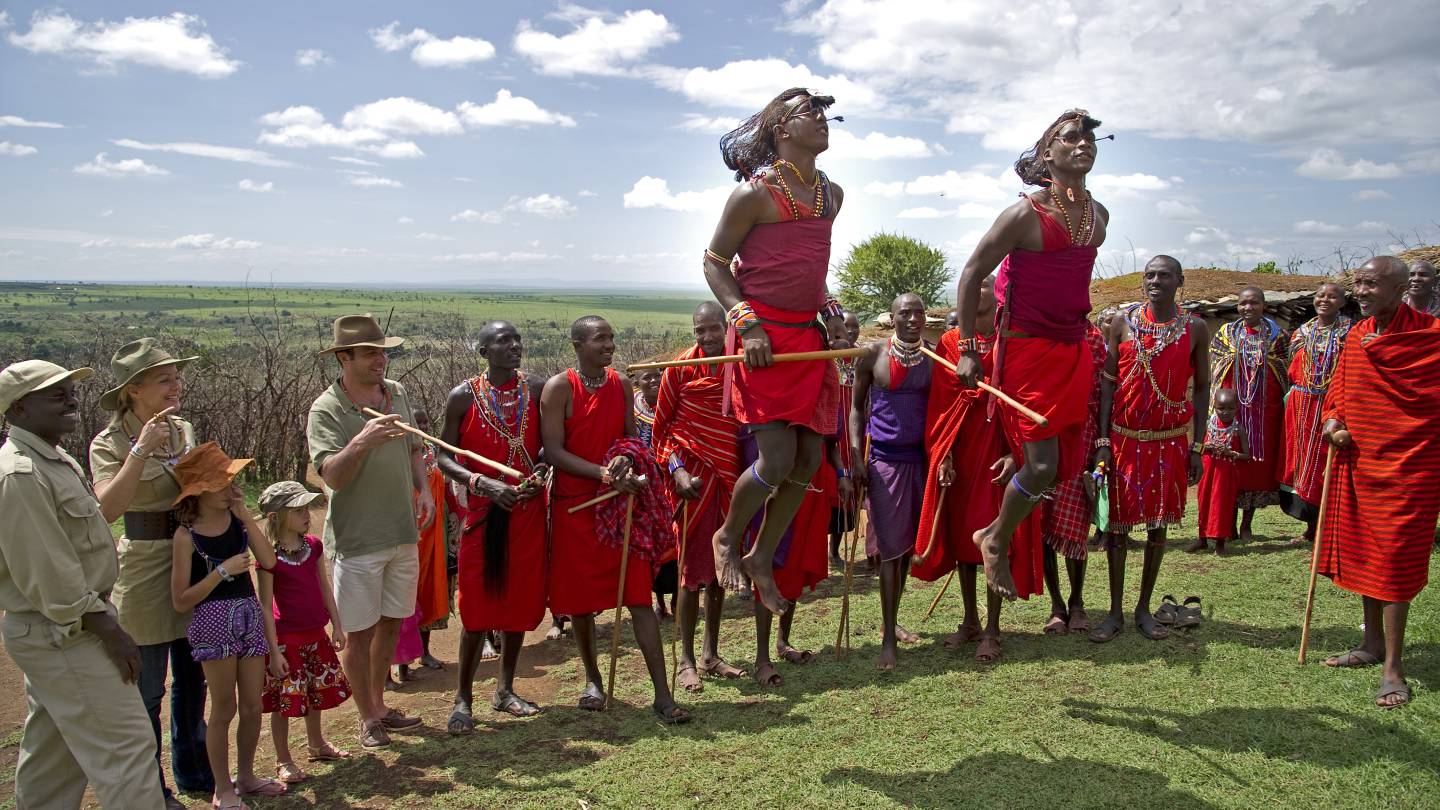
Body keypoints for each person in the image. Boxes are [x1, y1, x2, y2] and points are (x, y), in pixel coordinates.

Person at [703, 88, 850, 617]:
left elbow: (810, 269)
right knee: (779, 457)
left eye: (824, 113)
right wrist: (746, 322)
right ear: (783, 129)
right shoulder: (753, 195)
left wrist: (830, 308)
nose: (822, 120)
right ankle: (728, 537)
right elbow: (716, 262)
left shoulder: (830, 195)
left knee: (811, 459)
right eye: (810, 113)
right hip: (763, 340)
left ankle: (762, 555)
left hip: (807, 340)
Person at [954, 109, 1110, 599]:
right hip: (1027, 352)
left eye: (1089, 138)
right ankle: (994, 539)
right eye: (1070, 138)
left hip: (1073, 349)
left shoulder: (1099, 216)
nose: (1082, 144)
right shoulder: (1024, 214)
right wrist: (968, 347)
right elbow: (972, 274)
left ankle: (994, 535)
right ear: (1048, 154)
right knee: (1041, 466)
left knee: (1063, 467)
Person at [0, 359, 167, 809]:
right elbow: (50, 575)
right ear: (17, 410)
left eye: (71, 390)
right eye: (56, 395)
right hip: (68, 629)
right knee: (127, 749)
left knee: (54, 756)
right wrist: (109, 630)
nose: (72, 400)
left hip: (64, 626)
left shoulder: (51, 457)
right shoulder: (20, 474)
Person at [540, 315, 689, 723]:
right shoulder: (558, 388)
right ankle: (593, 680)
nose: (608, 345)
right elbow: (552, 450)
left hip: (620, 504)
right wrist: (601, 473)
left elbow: (627, 436)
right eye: (599, 339)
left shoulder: (619, 384)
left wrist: (625, 457)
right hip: (576, 506)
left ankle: (662, 694)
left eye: (611, 338)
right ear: (577, 344)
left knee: (639, 597)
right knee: (583, 606)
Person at [88, 338, 212, 805]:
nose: (176, 385)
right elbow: (106, 507)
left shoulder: (183, 428)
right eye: (165, 379)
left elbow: (198, 488)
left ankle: (195, 773)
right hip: (143, 566)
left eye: (177, 377)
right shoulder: (110, 442)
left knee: (193, 681)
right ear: (134, 389)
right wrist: (140, 451)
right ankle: (148, 789)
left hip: (191, 556)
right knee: (146, 691)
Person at [1317, 256, 1440, 709]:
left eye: (1371, 284)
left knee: (1395, 562)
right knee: (1368, 554)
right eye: (1358, 284)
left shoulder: (1432, 338)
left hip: (1412, 470)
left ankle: (1393, 668)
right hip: (1360, 464)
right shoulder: (1357, 335)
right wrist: (1332, 421)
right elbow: (1338, 392)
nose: (1362, 291)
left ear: (1400, 287)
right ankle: (1371, 645)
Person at [306, 314, 433, 748]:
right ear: (343, 357)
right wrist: (362, 439)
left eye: (383, 351)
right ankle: (367, 718)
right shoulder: (327, 408)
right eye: (370, 353)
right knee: (358, 632)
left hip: (402, 530)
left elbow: (415, 446)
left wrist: (424, 489)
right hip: (358, 538)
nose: (381, 359)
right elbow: (333, 478)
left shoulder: (395, 392)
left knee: (393, 622)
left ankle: (380, 704)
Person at [916, 275, 1044, 663]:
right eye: (970, 289)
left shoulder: (1012, 341)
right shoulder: (951, 343)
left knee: (992, 537)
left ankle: (993, 628)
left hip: (997, 452)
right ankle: (970, 619)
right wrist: (945, 454)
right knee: (959, 538)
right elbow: (940, 404)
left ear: (997, 295)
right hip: (961, 452)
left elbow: (1021, 400)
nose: (976, 294)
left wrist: (1014, 455)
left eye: (983, 287)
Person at [434, 320, 549, 734]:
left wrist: (540, 469)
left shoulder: (536, 388)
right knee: (478, 607)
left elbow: (548, 446)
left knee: (518, 602)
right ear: (484, 352)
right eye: (503, 342)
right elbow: (443, 455)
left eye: (517, 339)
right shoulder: (463, 397)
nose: (514, 346)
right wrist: (477, 481)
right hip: (483, 512)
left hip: (527, 510)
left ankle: (505, 690)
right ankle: (463, 699)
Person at [1092, 256, 1209, 642]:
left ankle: (1143, 610)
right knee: (1118, 530)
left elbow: (1204, 388)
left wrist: (1198, 446)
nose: (1154, 281)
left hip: (1169, 442)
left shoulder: (1195, 328)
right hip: (1124, 440)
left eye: (1163, 276)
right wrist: (1104, 442)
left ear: (1180, 281)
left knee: (1158, 527)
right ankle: (1114, 613)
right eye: (1149, 276)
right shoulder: (1123, 323)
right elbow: (1108, 383)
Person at [168, 443, 284, 807]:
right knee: (224, 707)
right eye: (221, 484)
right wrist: (221, 572)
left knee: (252, 705)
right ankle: (222, 787)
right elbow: (181, 600)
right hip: (212, 620)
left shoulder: (238, 522)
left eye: (231, 482)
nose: (230, 490)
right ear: (198, 491)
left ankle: (246, 776)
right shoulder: (186, 536)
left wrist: (246, 516)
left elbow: (269, 561)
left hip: (248, 614)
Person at [652, 302, 748, 692]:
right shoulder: (679, 368)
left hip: (728, 478)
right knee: (691, 574)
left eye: (713, 330)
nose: (707, 337)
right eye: (700, 331)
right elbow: (660, 433)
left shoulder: (739, 362)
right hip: (691, 481)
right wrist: (676, 469)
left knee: (720, 571)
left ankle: (711, 653)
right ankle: (686, 661)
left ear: (726, 328)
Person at [850, 293, 932, 669]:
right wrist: (855, 455)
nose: (913, 319)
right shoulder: (871, 355)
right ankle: (887, 637)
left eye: (918, 312)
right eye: (905, 313)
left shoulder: (933, 356)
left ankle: (893, 620)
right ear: (892, 317)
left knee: (906, 552)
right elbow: (855, 409)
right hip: (883, 462)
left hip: (922, 461)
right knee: (889, 549)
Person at [256, 481, 350, 786]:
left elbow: (324, 585)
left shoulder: (313, 546)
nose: (306, 515)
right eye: (297, 511)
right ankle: (283, 759)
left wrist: (336, 624)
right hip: (287, 642)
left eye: (306, 509)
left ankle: (316, 744)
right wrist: (272, 649)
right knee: (284, 702)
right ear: (277, 517)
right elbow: (266, 606)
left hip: (315, 635)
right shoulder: (268, 558)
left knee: (314, 694)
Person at [746, 431, 841, 686]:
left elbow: (831, 436)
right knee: (767, 563)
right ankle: (762, 659)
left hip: (810, 478)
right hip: (776, 472)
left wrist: (842, 473)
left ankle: (783, 641)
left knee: (795, 564)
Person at [1038, 316, 1106, 636]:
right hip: (1043, 438)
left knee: (1076, 526)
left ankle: (1077, 603)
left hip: (1082, 437)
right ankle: (1056, 606)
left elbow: (1104, 393)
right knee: (1043, 523)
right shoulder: (1040, 332)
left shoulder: (1094, 338)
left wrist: (1101, 443)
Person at [1210, 286, 1289, 541]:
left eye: (1253, 303)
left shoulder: (1278, 337)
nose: (1248, 308)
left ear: (1263, 305)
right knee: (1229, 465)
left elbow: (1284, 367)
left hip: (1264, 414)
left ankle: (1247, 524)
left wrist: (1262, 363)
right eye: (1243, 303)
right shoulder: (1225, 335)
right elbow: (1216, 365)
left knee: (1255, 466)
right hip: (1232, 415)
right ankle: (1228, 523)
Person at [1280, 283, 1353, 545]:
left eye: (1332, 296)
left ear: (1342, 302)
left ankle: (1333, 528)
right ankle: (1311, 527)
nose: (1325, 300)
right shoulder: (1302, 332)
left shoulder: (1351, 332)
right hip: (1301, 405)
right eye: (1321, 295)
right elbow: (1292, 368)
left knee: (1329, 463)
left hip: (1334, 404)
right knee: (1305, 463)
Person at [632, 367, 677, 620]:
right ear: (637, 382)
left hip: (670, 482)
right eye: (646, 377)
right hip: (644, 489)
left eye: (657, 375)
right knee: (652, 544)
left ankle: (676, 598)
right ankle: (657, 600)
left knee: (673, 540)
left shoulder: (672, 403)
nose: (653, 380)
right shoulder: (632, 411)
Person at [412, 408, 450, 670]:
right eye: (418, 421)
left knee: (429, 588)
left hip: (433, 533)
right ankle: (399, 662)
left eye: (426, 421)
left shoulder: (431, 450)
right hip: (412, 533)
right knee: (408, 593)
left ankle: (425, 651)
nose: (424, 425)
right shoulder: (402, 453)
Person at [1194, 390, 1249, 553]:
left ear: (1237, 408)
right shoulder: (1207, 425)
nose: (1225, 412)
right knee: (1204, 503)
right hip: (1207, 472)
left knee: (1222, 506)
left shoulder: (1239, 429)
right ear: (1214, 407)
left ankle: (1220, 543)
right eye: (1221, 408)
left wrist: (1231, 453)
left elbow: (1247, 456)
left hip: (1226, 475)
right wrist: (1207, 447)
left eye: (1230, 409)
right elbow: (1196, 446)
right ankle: (1202, 539)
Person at [830, 311, 862, 566]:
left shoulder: (862, 358)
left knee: (848, 498)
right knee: (828, 494)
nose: (850, 332)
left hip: (853, 435)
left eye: (855, 327)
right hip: (831, 433)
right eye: (846, 327)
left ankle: (835, 551)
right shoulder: (826, 356)